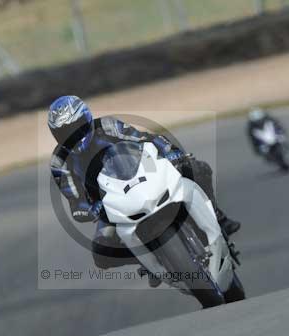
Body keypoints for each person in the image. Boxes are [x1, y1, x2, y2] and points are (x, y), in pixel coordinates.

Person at [49, 95, 240, 285]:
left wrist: (172, 152)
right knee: (101, 253)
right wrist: (88, 210)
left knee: (197, 168)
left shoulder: (107, 126)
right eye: (65, 133)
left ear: (87, 119)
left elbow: (145, 139)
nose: (73, 136)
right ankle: (149, 261)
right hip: (109, 205)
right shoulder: (59, 162)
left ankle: (217, 216)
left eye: (77, 128)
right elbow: (75, 199)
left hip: (143, 177)